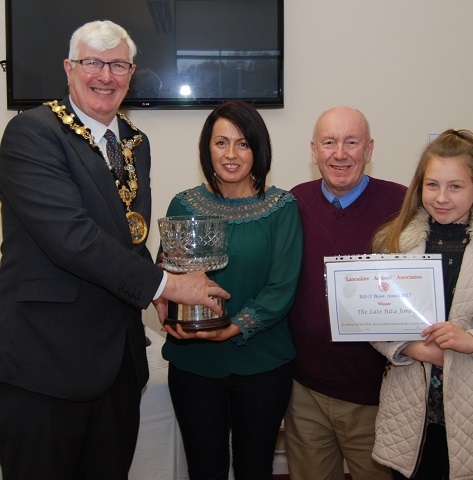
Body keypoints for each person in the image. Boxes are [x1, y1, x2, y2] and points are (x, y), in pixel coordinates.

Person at [0, 20, 228, 480]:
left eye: (118, 65)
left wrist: (156, 295)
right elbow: (72, 239)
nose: (106, 76)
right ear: (69, 68)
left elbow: (128, 238)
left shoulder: (133, 142)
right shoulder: (32, 132)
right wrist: (168, 284)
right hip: (46, 364)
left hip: (118, 365)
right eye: (93, 63)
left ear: (132, 72)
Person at [370, 129, 473, 480]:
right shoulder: (394, 242)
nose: (442, 197)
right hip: (409, 409)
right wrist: (410, 348)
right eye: (432, 185)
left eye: (455, 186)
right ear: (419, 187)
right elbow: (373, 318)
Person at [160, 100, 303, 480]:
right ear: (207, 148)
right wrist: (162, 300)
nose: (231, 154)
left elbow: (282, 288)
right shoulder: (183, 204)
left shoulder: (281, 207)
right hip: (194, 364)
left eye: (243, 143)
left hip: (262, 364)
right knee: (204, 469)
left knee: (254, 468)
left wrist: (233, 327)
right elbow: (167, 275)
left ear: (259, 149)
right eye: (221, 142)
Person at [284, 106, 407, 480]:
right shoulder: (294, 202)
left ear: (369, 150)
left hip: (377, 395)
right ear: (314, 150)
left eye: (351, 142)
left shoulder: (402, 206)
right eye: (329, 142)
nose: (340, 154)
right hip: (307, 392)